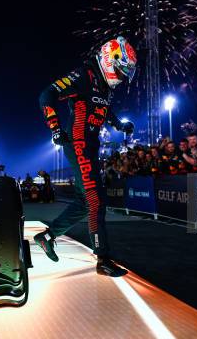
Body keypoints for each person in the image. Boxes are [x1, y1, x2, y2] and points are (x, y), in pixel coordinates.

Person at [35, 36, 136, 277]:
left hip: (90, 144)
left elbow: (105, 110)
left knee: (85, 200)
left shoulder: (103, 85)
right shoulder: (83, 76)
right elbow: (46, 94)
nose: (121, 78)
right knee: (96, 199)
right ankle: (103, 259)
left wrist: (120, 125)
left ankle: (47, 237)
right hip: (78, 143)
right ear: (110, 61)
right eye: (121, 72)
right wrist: (54, 127)